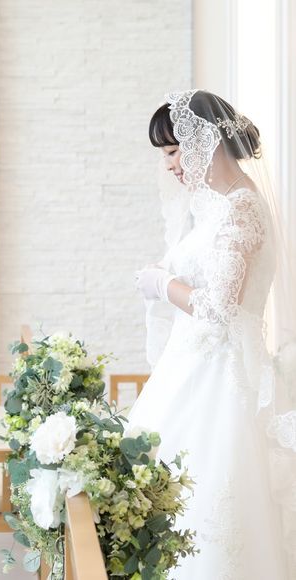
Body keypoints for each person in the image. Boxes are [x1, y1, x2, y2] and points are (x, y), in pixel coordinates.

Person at [131, 90, 296, 579]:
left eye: (172, 150)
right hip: (192, 370)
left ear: (204, 140)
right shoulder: (215, 207)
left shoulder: (241, 207)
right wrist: (167, 273)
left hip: (220, 380)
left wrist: (163, 285)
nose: (168, 166)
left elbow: (220, 307)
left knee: (206, 507)